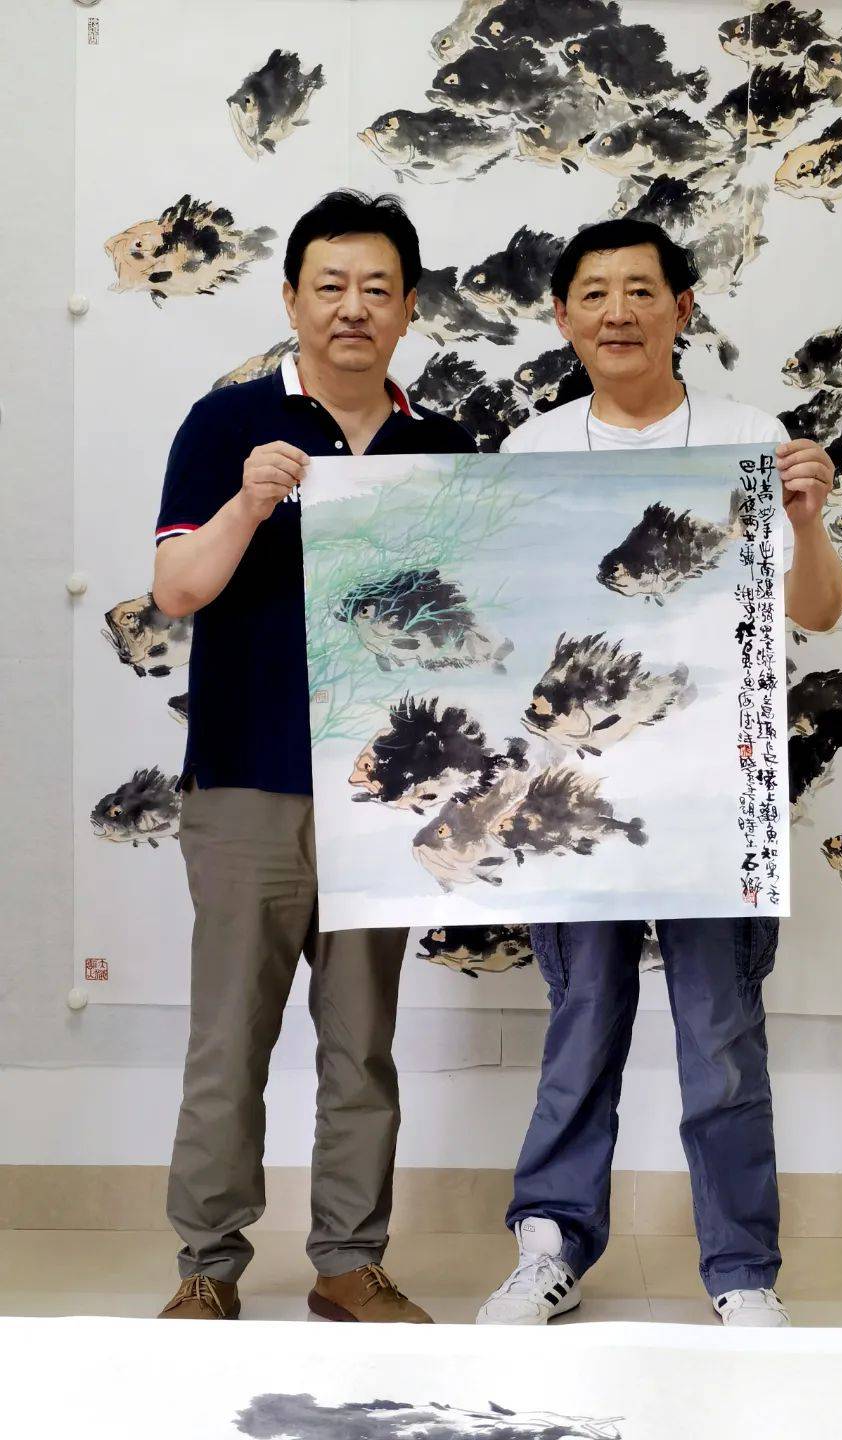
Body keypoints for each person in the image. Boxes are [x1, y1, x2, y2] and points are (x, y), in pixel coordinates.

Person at [476, 218, 842, 1329]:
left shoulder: (748, 436)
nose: (618, 312)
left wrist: (809, 520)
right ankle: (549, 1245)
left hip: (711, 791)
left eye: (642, 290)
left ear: (683, 308)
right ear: (563, 318)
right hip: (574, 788)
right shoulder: (532, 450)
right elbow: (507, 622)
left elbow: (817, 611)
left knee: (720, 1034)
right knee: (582, 1019)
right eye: (594, 293)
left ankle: (742, 1272)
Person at [152, 190, 475, 1323]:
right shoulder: (225, 423)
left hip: (384, 796)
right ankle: (206, 1267)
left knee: (363, 1044)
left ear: (410, 309)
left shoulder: (443, 449)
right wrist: (248, 503)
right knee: (228, 1040)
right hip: (247, 778)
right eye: (330, 286)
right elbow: (177, 588)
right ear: (291, 298)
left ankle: (349, 1261)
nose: (353, 308)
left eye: (377, 288)